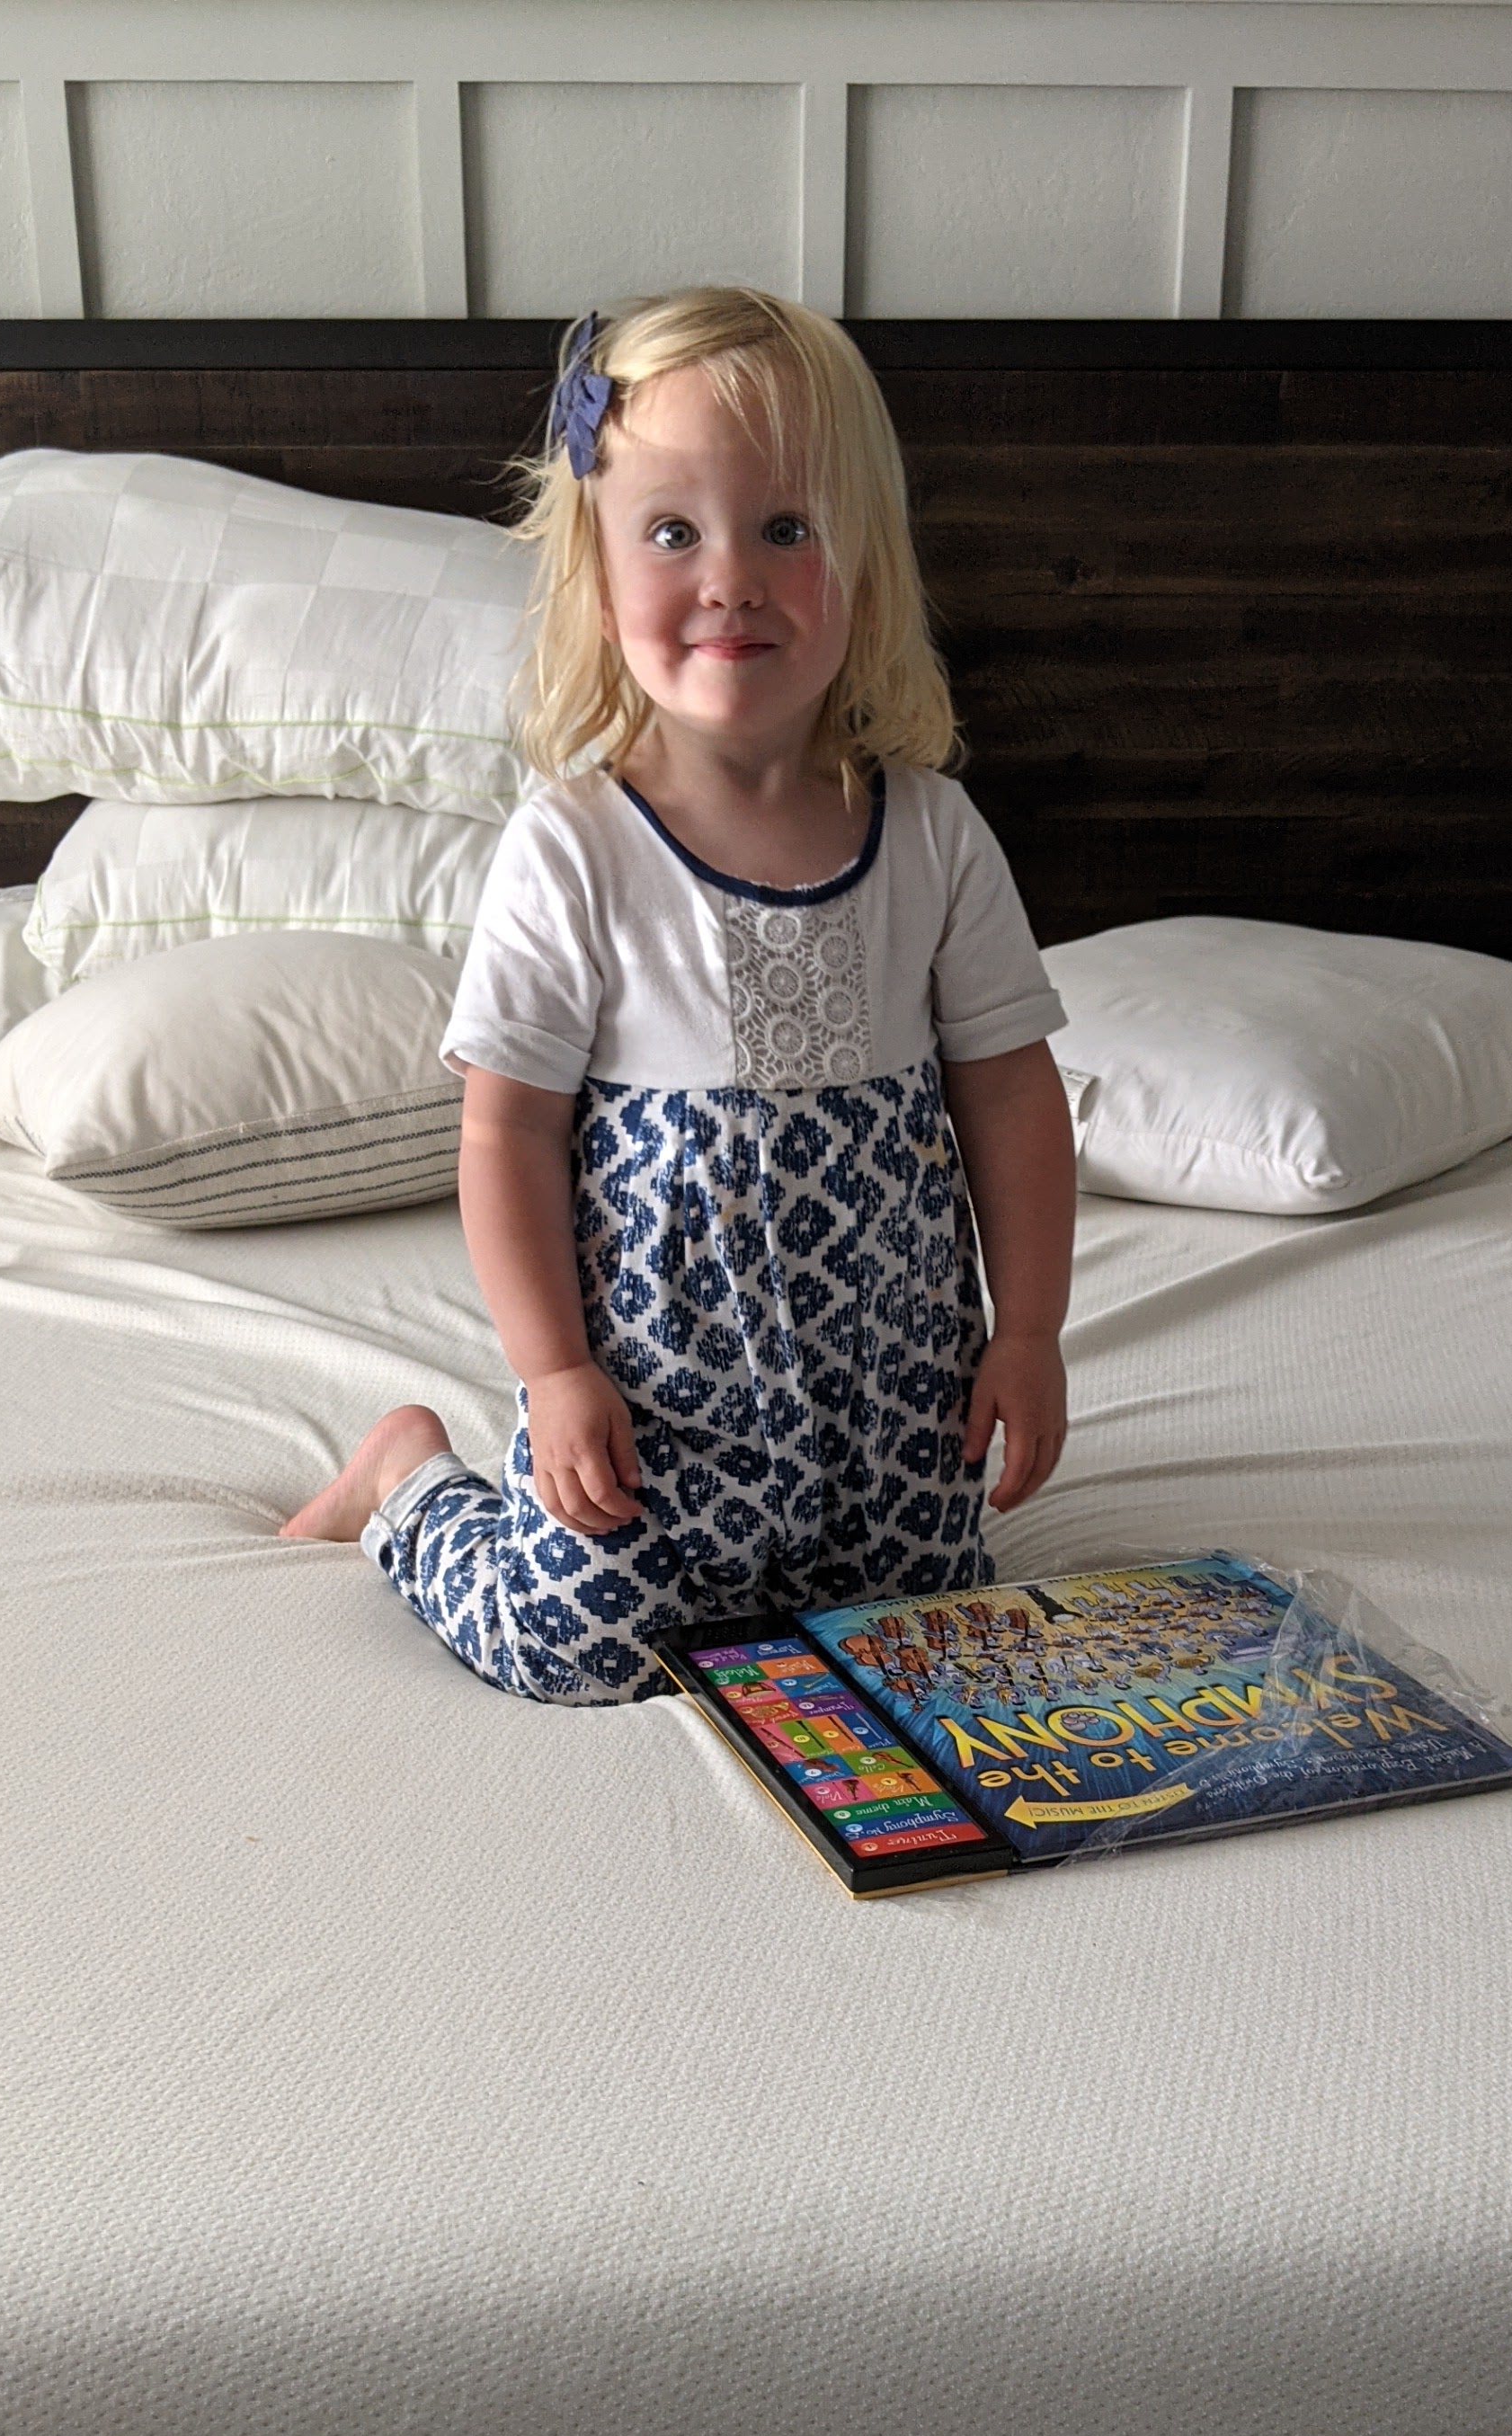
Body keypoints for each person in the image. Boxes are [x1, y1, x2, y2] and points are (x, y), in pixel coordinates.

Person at [280, 288, 1077, 1701]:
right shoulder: (574, 848)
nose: (732, 579)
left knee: (931, 1637)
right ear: (596, 576)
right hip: (656, 1414)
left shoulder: (932, 834)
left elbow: (1011, 1095)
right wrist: (553, 1374)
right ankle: (408, 1479)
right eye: (670, 533)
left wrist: (1027, 1333)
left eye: (787, 528)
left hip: (893, 1405)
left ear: (869, 568)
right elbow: (506, 1133)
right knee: (574, 1652)